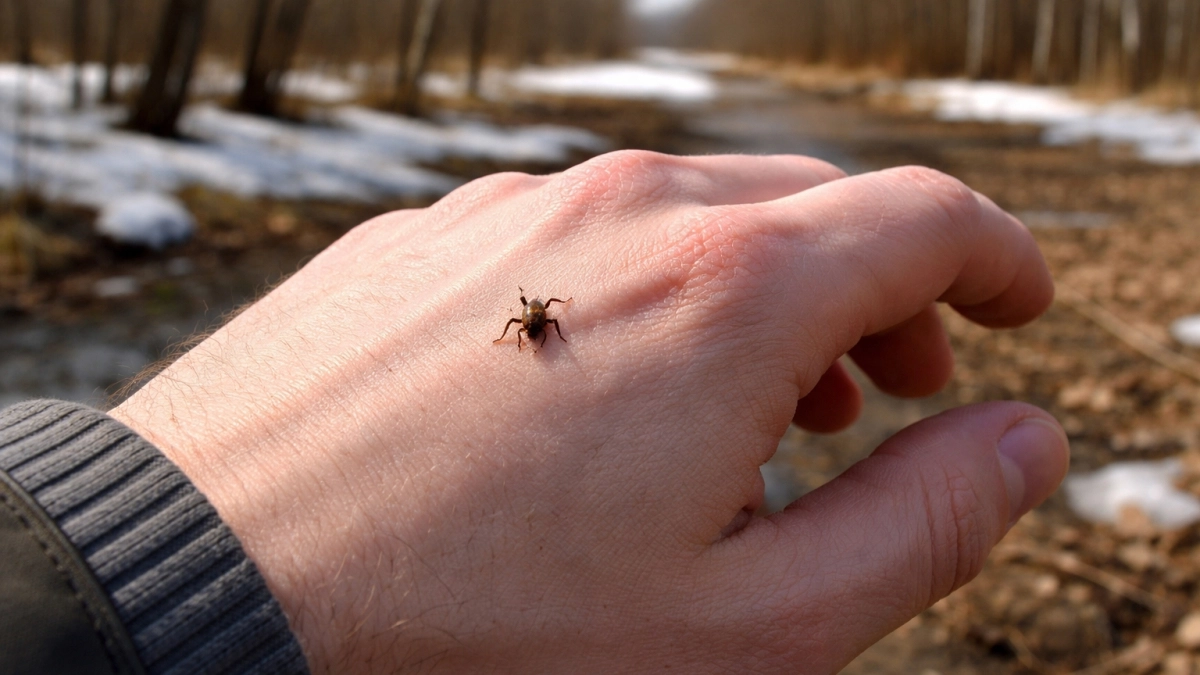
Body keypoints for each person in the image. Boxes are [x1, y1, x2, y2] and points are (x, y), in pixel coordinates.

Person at [0, 152, 1069, 674]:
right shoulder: (530, 321)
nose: (534, 314)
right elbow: (535, 325)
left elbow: (546, 318)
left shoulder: (541, 314)